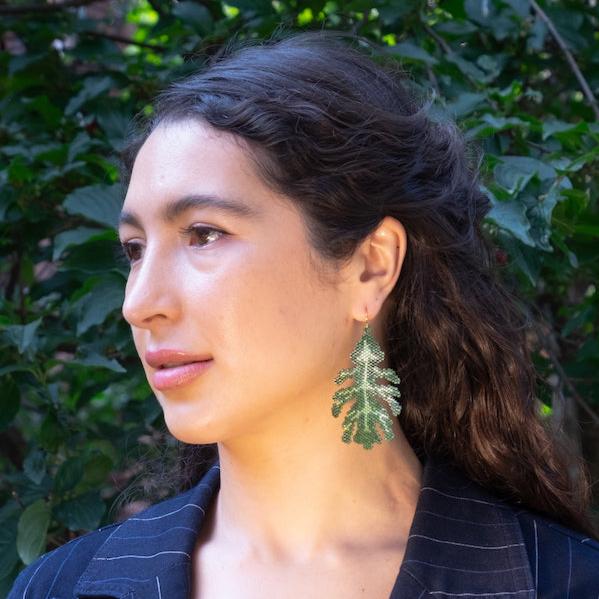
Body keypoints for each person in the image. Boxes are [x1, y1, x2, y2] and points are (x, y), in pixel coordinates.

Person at [8, 30, 599, 599]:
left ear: (370, 266)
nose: (138, 304)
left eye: (204, 234)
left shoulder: (566, 583)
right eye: (135, 250)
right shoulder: (59, 587)